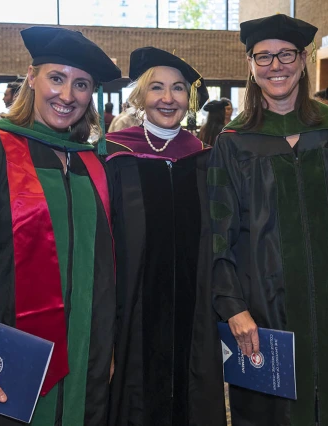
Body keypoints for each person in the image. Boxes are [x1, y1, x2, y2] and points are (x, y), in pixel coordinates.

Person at [0, 26, 120, 426]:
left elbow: (104, 272)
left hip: (82, 362)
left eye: (82, 84)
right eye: (57, 78)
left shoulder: (91, 163)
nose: (67, 95)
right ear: (32, 76)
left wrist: (106, 347)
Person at [208, 14, 328, 426]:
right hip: (263, 306)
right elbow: (219, 234)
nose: (276, 66)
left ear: (304, 59)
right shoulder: (233, 143)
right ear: (251, 66)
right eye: (264, 56)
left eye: (286, 54)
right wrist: (233, 306)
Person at [105, 46, 226, 426]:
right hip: (133, 303)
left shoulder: (203, 157)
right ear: (140, 96)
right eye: (157, 88)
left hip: (193, 306)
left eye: (177, 89)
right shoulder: (114, 154)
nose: (168, 98)